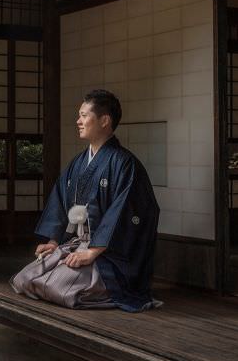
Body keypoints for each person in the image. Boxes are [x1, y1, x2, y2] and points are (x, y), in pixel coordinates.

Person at [10, 89, 161, 312]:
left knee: (59, 289)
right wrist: (54, 241)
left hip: (107, 253)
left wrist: (92, 252)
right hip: (76, 243)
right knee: (24, 279)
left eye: (83, 115)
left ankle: (107, 287)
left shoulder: (124, 164)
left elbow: (125, 214)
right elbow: (61, 202)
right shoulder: (79, 163)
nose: (78, 121)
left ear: (104, 120)